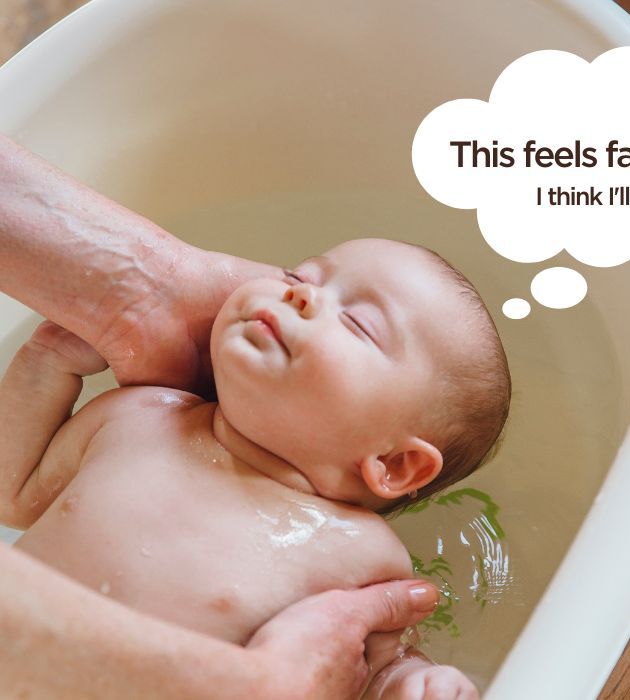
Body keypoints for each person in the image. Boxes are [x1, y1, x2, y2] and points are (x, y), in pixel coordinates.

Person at [0, 133, 443, 699]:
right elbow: (14, 493)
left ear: (395, 462)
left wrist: (411, 681)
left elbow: (362, 666)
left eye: (358, 324)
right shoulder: (138, 415)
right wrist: (47, 360)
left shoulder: (361, 549)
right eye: (300, 277)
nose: (302, 297)